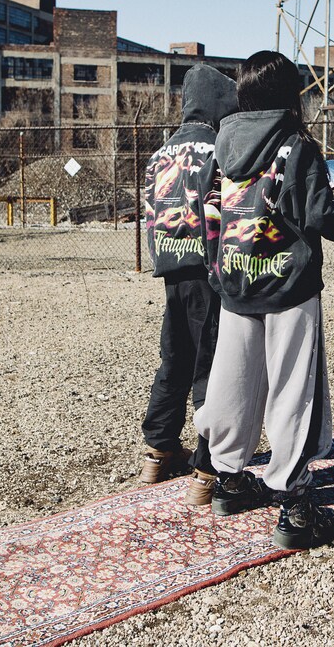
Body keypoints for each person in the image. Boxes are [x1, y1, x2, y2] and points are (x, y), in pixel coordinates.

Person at [194, 50, 334, 548]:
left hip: (235, 282)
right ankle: (295, 506)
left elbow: (208, 211)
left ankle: (229, 479)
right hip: (289, 287)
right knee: (295, 389)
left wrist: (218, 270)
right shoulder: (295, 146)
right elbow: (322, 218)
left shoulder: (220, 146)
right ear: (289, 94)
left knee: (233, 381)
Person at [141, 63, 237, 505]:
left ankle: (158, 451)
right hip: (206, 270)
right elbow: (225, 210)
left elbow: (150, 212)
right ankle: (207, 467)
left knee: (174, 358)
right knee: (210, 366)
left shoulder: (161, 152)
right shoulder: (219, 148)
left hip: (171, 268)